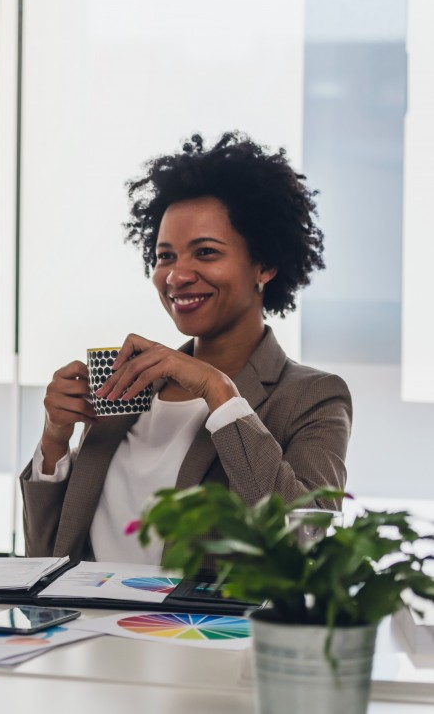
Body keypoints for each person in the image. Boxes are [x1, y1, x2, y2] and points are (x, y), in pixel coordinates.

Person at [20, 131, 352, 564]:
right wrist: (55, 441)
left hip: (195, 633)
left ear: (265, 264)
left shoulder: (312, 397)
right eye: (165, 256)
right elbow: (45, 560)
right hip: (85, 629)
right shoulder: (129, 385)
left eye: (206, 252)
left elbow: (304, 548)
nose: (177, 276)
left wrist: (219, 392)